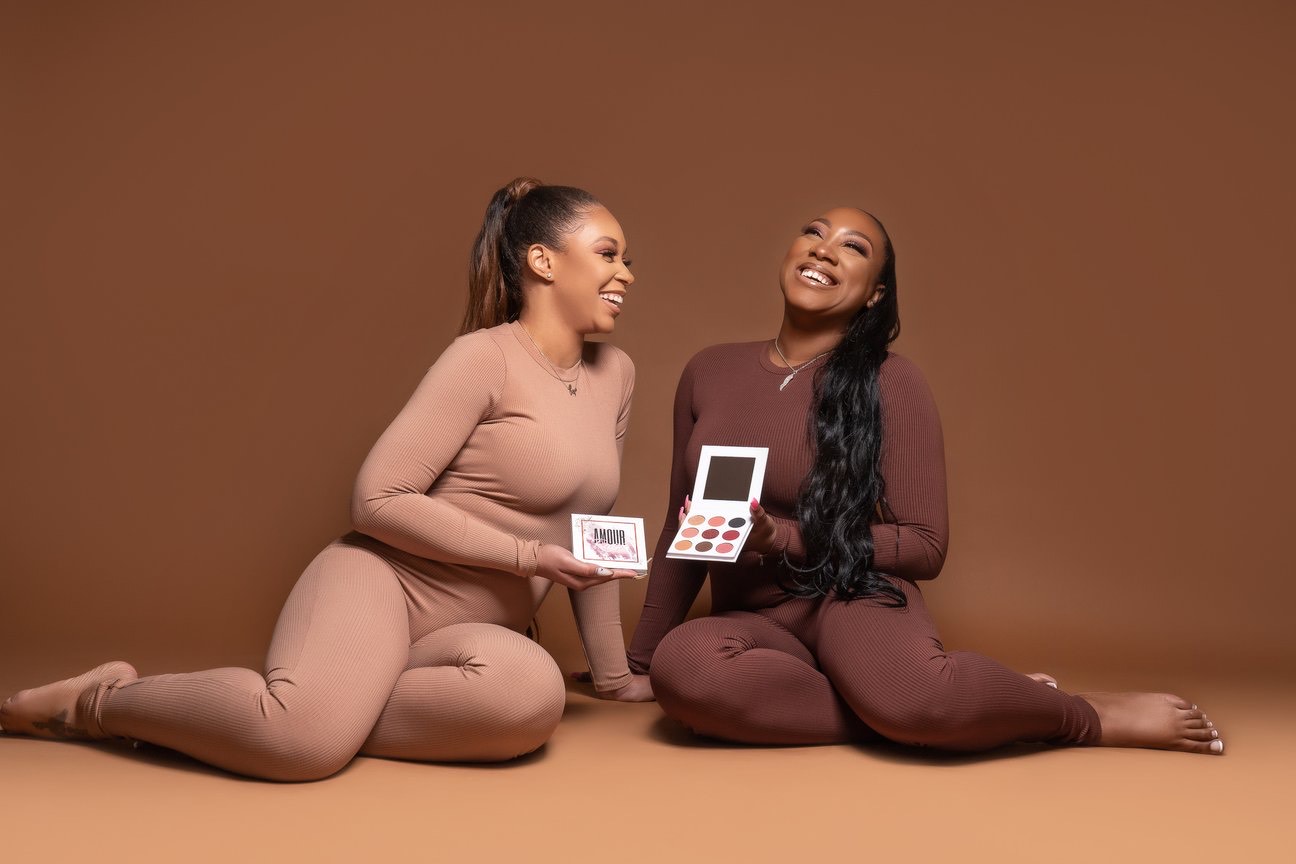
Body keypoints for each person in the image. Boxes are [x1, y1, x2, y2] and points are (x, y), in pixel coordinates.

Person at [1, 177, 653, 780]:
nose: (624, 272)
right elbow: (376, 498)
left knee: (530, 698)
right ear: (543, 262)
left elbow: (591, 529)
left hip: (465, 634)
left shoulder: (614, 374)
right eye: (607, 254)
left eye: (626, 259)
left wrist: (613, 677)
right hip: (384, 585)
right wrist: (527, 556)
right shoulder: (482, 359)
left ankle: (338, 695)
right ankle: (100, 701)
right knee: (302, 747)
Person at [628, 206, 1224, 755]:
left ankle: (1076, 713)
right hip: (756, 622)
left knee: (918, 699)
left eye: (853, 247)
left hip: (851, 599)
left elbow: (924, 545)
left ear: (874, 294)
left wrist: (784, 537)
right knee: (685, 674)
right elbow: (681, 524)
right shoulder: (709, 370)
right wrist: (642, 658)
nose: (824, 251)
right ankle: (946, 705)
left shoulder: (893, 381)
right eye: (814, 232)